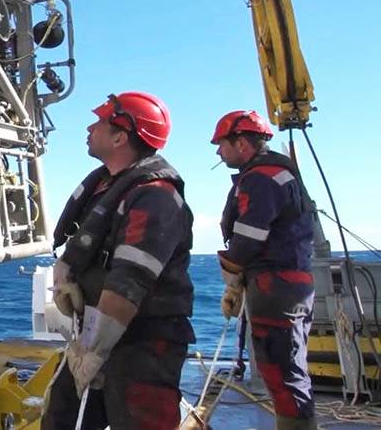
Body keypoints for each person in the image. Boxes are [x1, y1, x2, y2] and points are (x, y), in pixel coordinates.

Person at [43, 92, 195, 430]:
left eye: (98, 122)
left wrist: (94, 353)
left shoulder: (156, 198)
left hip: (141, 343)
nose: (89, 128)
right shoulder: (106, 187)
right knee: (61, 418)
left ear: (119, 137)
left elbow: (129, 282)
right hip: (95, 334)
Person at [212, 110, 316, 429]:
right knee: (287, 368)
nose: (218, 152)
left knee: (281, 371)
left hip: (275, 285)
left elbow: (249, 236)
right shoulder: (277, 173)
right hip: (289, 282)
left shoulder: (261, 177)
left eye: (221, 144)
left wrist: (232, 279)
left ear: (241, 143)